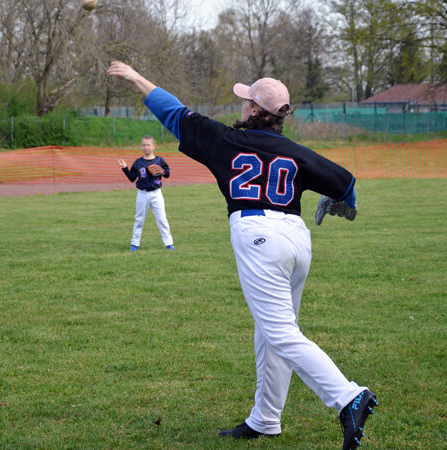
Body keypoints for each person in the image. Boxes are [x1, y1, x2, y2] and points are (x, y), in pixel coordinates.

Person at [108, 61, 378, 449]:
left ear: (254, 110)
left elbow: (172, 111)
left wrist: (135, 78)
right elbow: (345, 182)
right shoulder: (295, 151)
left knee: (281, 332)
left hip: (258, 237)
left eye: (245, 101)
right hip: (296, 240)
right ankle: (266, 419)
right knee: (270, 333)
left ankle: (349, 397)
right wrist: (341, 199)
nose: (241, 106)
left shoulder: (224, 140)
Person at [117, 135, 174, 251]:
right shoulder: (138, 162)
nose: (146, 147)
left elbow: (167, 174)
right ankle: (134, 244)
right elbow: (132, 178)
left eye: (148, 145)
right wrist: (125, 168)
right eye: (143, 145)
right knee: (139, 219)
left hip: (156, 193)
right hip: (142, 194)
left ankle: (169, 244)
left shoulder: (159, 160)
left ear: (153, 146)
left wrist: (162, 171)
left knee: (162, 219)